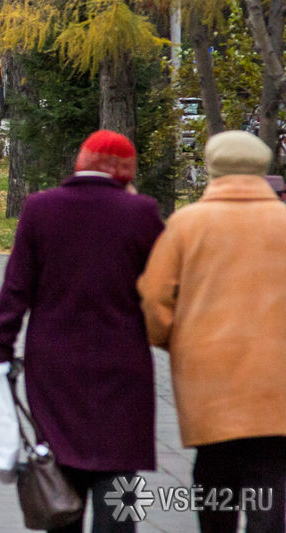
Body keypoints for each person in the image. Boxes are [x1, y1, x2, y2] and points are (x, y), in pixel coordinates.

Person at [0, 130, 165, 533]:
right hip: (123, 361)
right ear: (125, 170)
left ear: (80, 162)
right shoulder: (141, 213)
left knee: (61, 464)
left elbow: (16, 287)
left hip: (53, 363)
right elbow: (163, 289)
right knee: (118, 475)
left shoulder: (41, 208)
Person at [138, 130, 286, 533]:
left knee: (214, 466)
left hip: (208, 371)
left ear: (211, 169)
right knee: (272, 469)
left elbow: (154, 298)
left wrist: (171, 340)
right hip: (278, 375)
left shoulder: (188, 224)